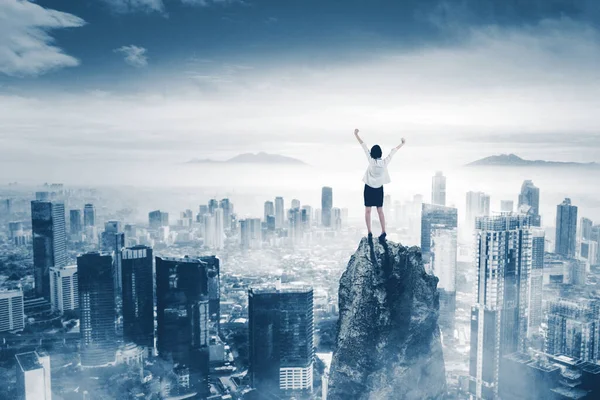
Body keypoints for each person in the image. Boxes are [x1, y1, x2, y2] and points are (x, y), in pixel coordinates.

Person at [354, 128, 406, 241]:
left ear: (372, 153)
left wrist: (356, 134)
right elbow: (393, 151)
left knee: (367, 211)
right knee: (380, 211)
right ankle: (383, 231)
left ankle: (369, 232)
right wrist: (402, 143)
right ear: (380, 154)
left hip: (368, 188)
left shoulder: (371, 161)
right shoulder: (384, 163)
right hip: (379, 189)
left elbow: (363, 145)